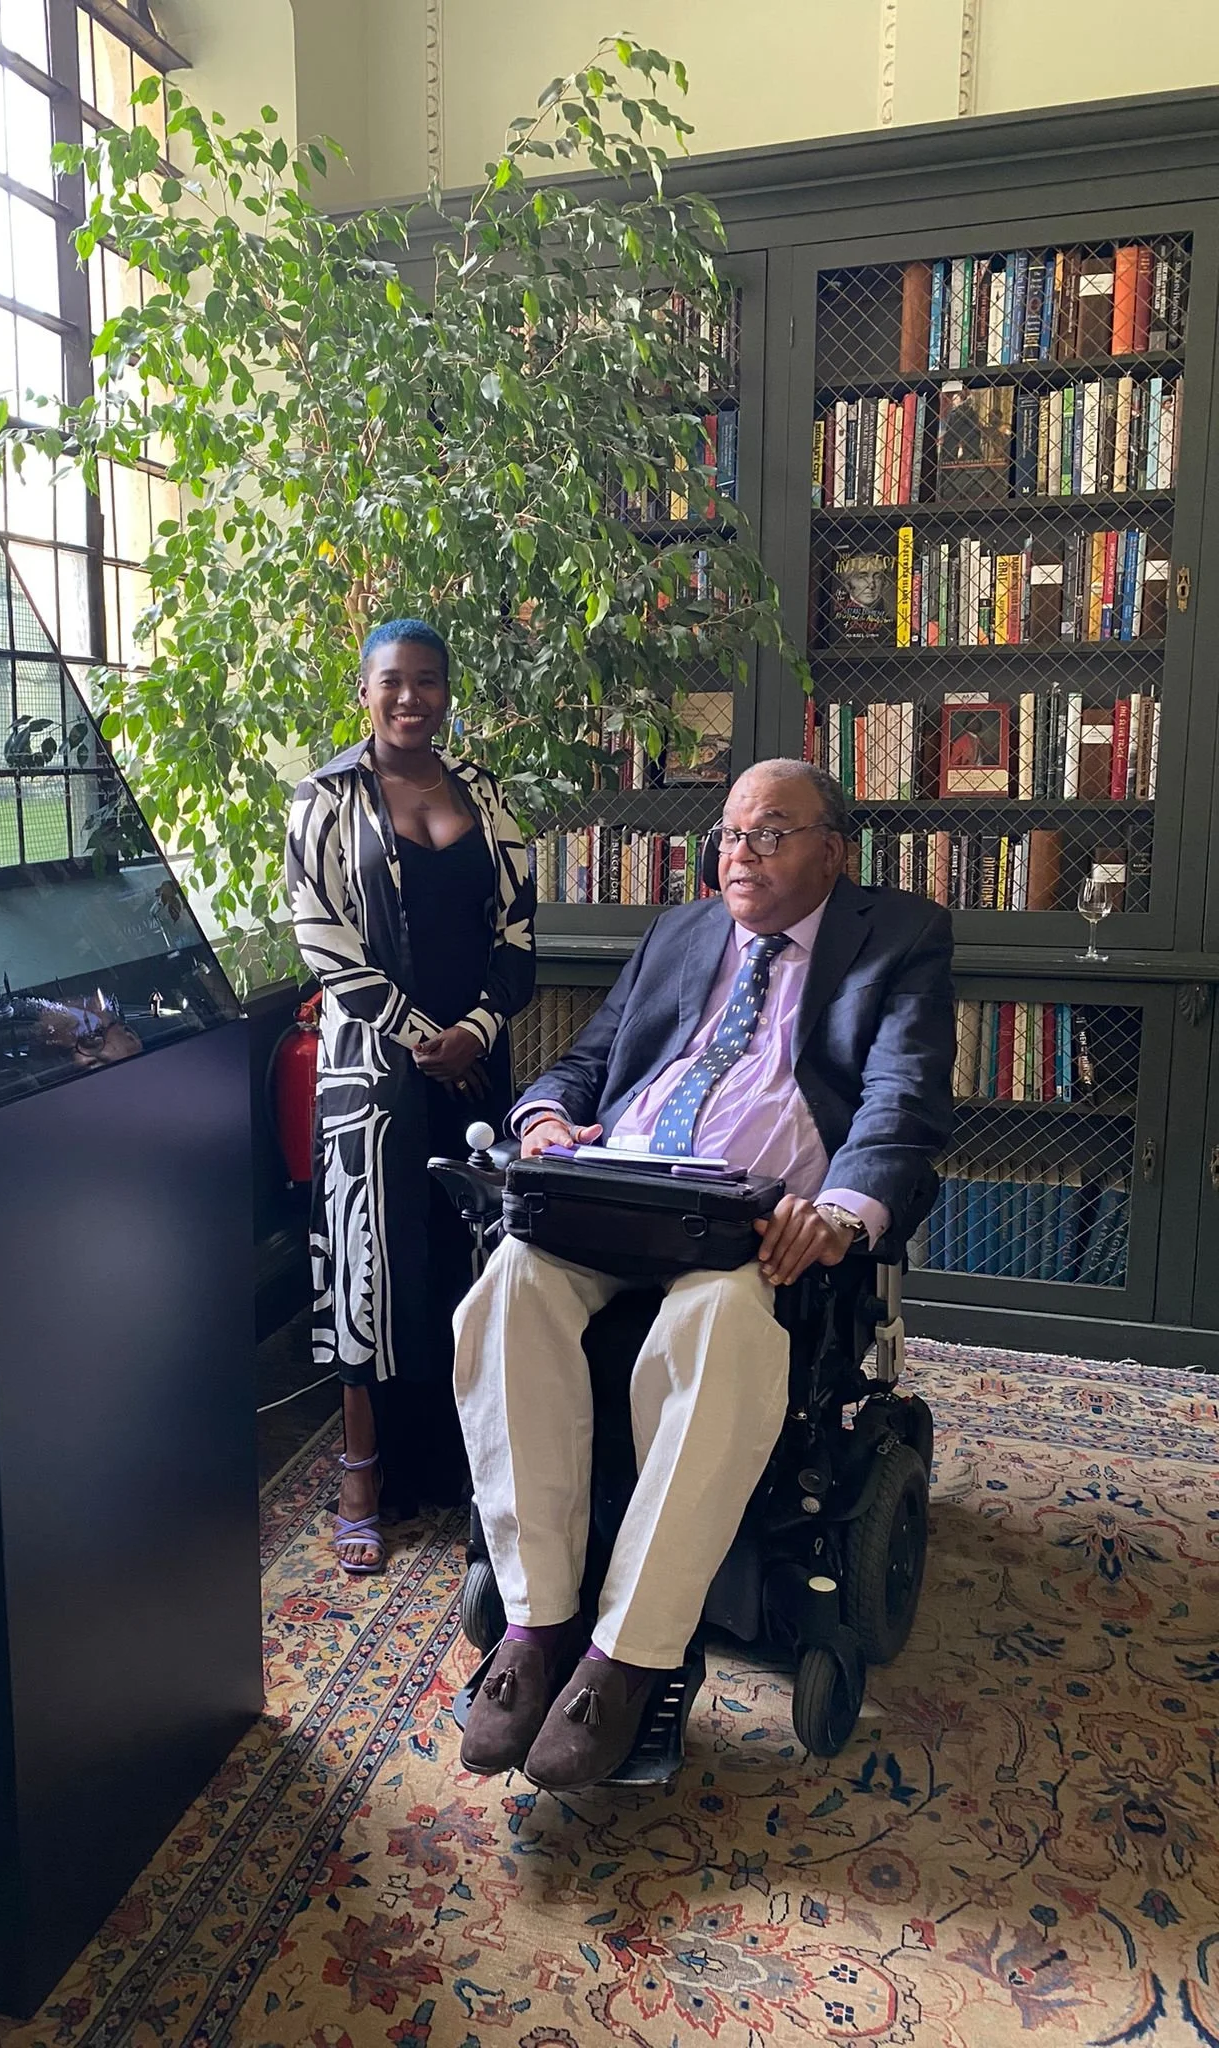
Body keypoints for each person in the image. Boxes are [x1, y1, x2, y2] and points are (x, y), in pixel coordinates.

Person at [452, 758, 954, 1790]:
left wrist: (840, 1213)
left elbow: (903, 1103)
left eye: (769, 832)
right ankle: (539, 1623)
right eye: (728, 834)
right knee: (507, 1282)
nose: (739, 854)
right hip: (620, 1190)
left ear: (832, 848)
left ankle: (624, 1658)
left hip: (758, 1221)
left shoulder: (897, 936)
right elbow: (588, 1061)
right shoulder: (679, 932)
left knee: (720, 1319)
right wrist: (544, 1116)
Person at [286, 619, 536, 1574]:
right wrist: (418, 1035)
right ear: (365, 691)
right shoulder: (322, 799)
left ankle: (473, 1463)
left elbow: (518, 925)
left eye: (427, 682)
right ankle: (361, 1472)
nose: (410, 699)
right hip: (373, 1076)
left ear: (445, 692)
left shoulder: (484, 791)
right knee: (371, 1266)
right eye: (392, 682)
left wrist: (476, 1027)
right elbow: (320, 937)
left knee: (472, 1257)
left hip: (476, 1063)